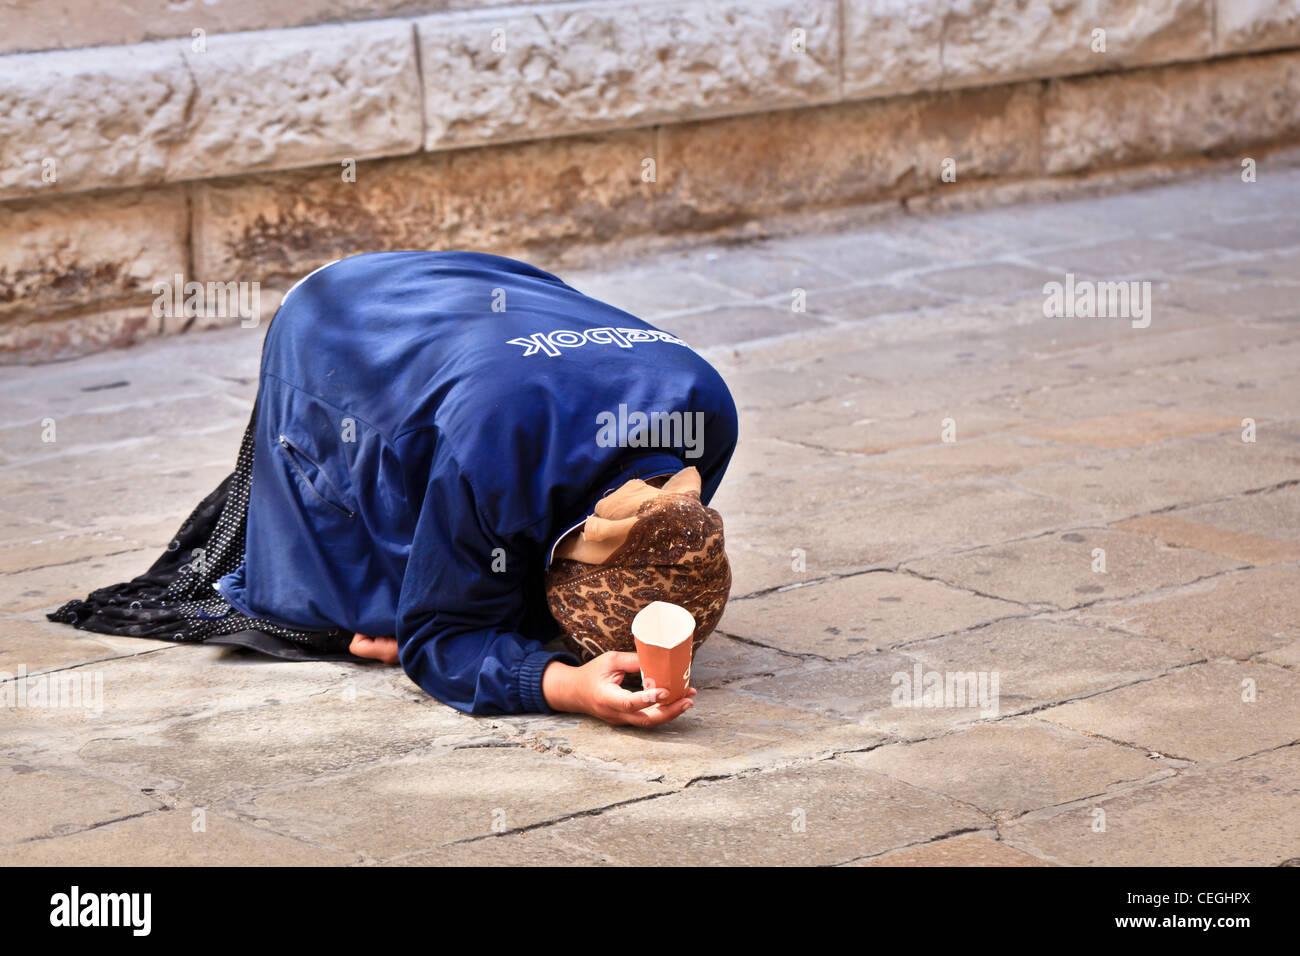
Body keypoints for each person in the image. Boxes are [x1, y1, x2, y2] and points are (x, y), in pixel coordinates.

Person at [49, 251, 738, 727]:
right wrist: (562, 686)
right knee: (364, 615)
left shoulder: (707, 411)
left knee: (469, 576)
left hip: (475, 290)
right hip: (338, 313)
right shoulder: (495, 454)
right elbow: (442, 637)